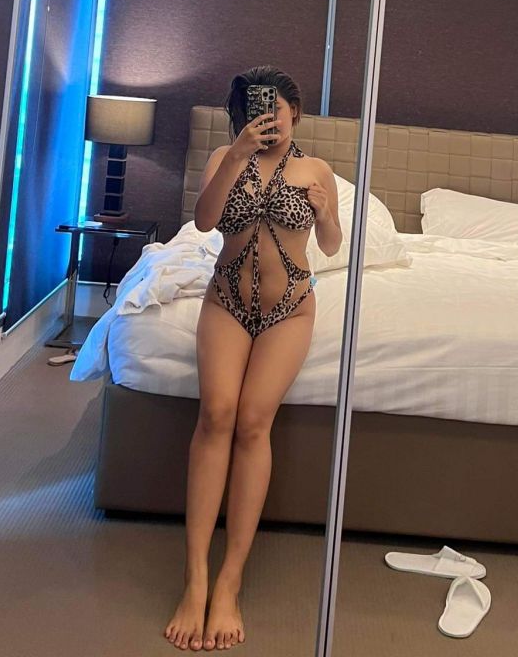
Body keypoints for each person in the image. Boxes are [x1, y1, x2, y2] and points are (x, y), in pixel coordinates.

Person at [165, 66, 342, 652]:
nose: (270, 120)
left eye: (279, 110)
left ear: (296, 113)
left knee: (252, 421)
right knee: (216, 413)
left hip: (290, 308)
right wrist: (237, 154)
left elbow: (332, 243)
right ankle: (195, 577)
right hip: (226, 302)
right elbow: (204, 221)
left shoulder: (317, 170)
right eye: (256, 111)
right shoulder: (225, 157)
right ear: (243, 117)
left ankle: (230, 581)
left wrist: (325, 214)